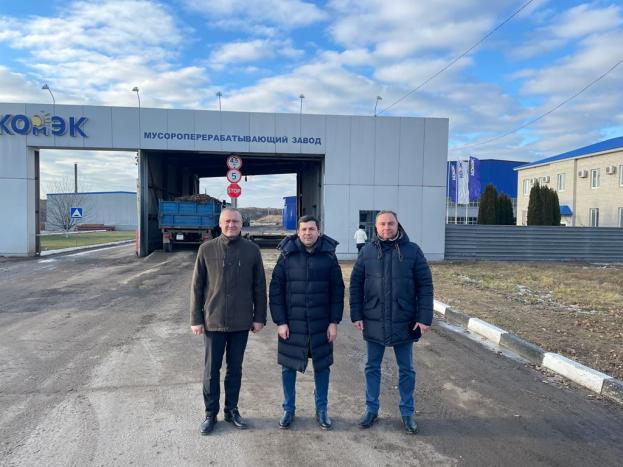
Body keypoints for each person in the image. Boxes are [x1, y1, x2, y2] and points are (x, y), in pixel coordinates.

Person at [349, 210, 433, 435]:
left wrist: (424, 318)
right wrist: (356, 314)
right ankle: (371, 409)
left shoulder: (412, 251)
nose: (387, 227)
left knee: (406, 369)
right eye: (382, 224)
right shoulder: (367, 252)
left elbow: (425, 286)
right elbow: (356, 285)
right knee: (372, 366)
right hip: (374, 317)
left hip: (404, 319)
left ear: (397, 225)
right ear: (376, 228)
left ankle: (407, 412)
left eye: (390, 223)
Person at [190, 207, 267, 435]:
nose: (231, 225)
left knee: (235, 369)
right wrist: (196, 319)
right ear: (220, 223)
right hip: (213, 320)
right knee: (211, 371)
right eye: (227, 221)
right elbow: (196, 287)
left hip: (241, 322)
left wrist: (259, 317)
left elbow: (259, 287)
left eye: (235, 221)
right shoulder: (206, 249)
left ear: (241, 224)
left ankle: (231, 410)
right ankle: (210, 413)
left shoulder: (252, 250)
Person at [269, 215, 344, 430]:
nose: (307, 233)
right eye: (304, 229)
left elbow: (338, 291)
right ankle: (288, 409)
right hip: (293, 324)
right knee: (288, 367)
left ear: (318, 231)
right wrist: (281, 322)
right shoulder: (287, 255)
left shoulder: (329, 256)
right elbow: (276, 290)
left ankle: (322, 409)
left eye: (311, 229)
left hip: (321, 324)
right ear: (298, 232)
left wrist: (334, 322)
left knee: (322, 367)